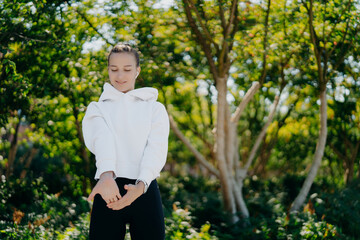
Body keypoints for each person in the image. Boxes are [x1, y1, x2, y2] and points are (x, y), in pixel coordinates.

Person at [82, 43, 170, 240]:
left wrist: (141, 185)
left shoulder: (155, 109)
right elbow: (102, 140)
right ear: (108, 70)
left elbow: (156, 149)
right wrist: (106, 176)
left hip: (144, 187)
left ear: (137, 71)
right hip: (108, 189)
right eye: (114, 69)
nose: (120, 76)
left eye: (127, 69)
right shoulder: (97, 108)